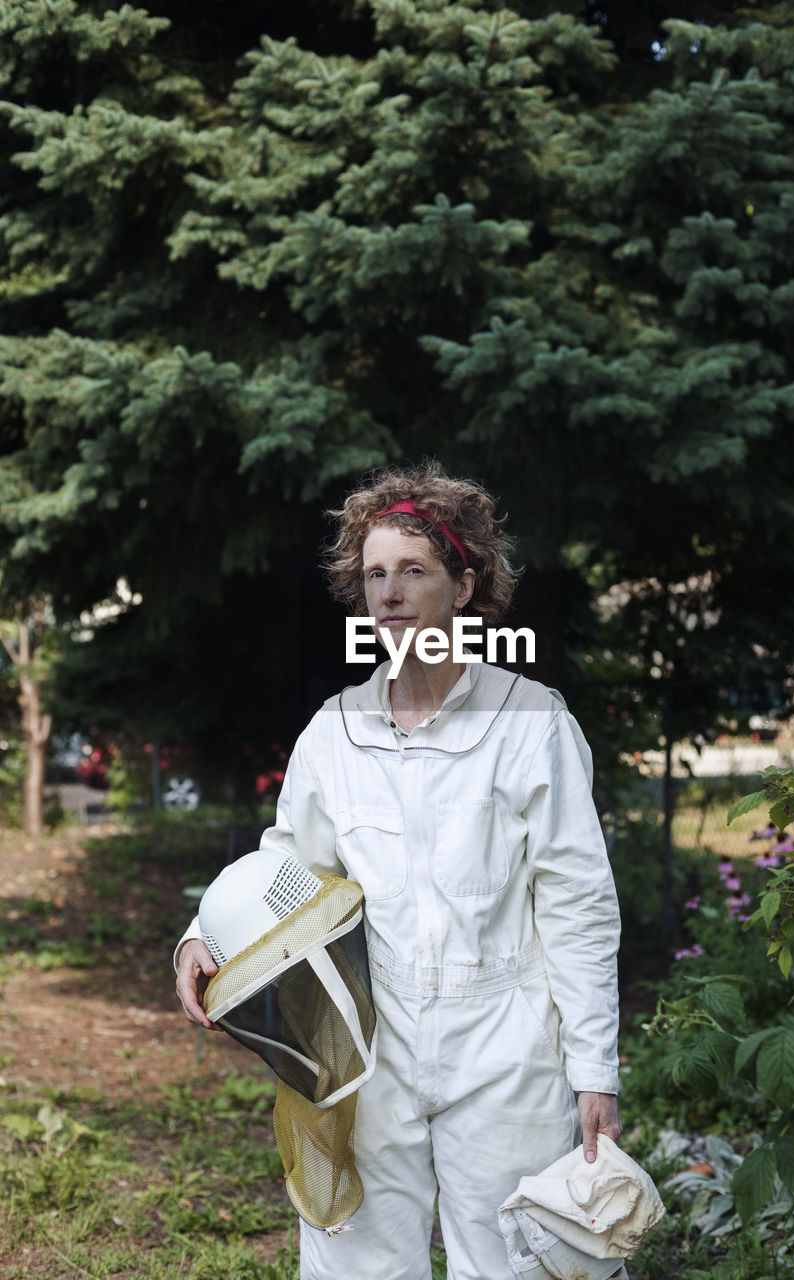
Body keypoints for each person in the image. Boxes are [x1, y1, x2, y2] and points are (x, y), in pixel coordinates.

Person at [175, 461, 623, 1280]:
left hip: (505, 1050)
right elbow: (288, 869)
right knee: (360, 1266)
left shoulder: (530, 724)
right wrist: (201, 936)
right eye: (374, 574)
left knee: (519, 1265)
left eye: (413, 571)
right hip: (366, 1046)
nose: (389, 593)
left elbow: (577, 905)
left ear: (464, 583)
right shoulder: (333, 733)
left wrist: (594, 1070)